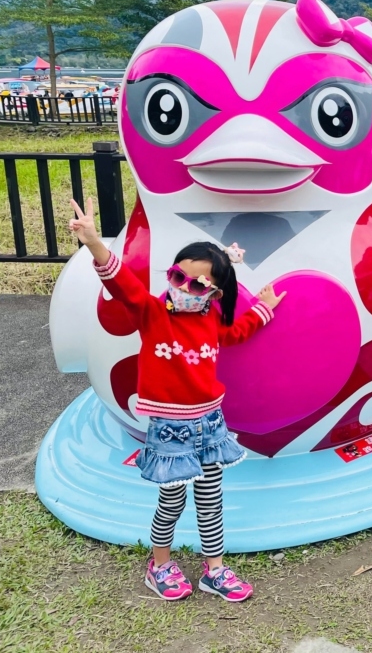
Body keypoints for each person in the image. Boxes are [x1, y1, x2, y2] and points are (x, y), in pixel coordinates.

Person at [68, 197, 286, 603]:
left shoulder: (209, 321)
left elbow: (237, 334)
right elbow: (120, 282)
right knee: (172, 500)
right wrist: (94, 242)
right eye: (177, 276)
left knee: (211, 499)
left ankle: (215, 569)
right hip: (169, 429)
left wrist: (265, 310)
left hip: (211, 425)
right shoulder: (152, 312)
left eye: (198, 284)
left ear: (215, 292)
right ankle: (160, 563)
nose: (184, 287)